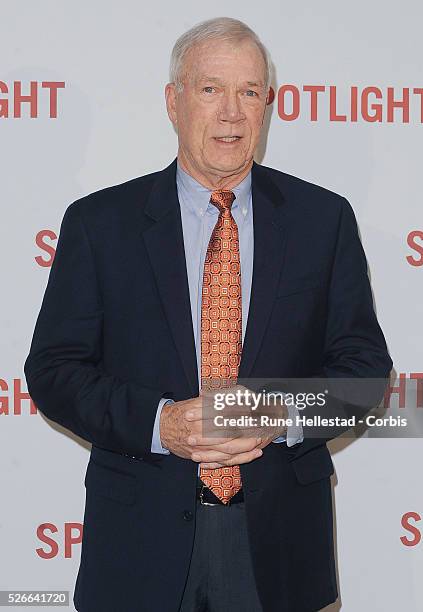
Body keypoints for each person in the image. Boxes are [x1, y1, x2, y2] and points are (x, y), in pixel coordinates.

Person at [24, 16, 392, 612]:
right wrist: (161, 424)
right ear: (173, 101)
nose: (232, 113)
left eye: (249, 92)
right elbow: (55, 371)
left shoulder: (322, 221)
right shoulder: (100, 225)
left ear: (267, 106)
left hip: (279, 544)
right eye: (210, 89)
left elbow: (366, 373)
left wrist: (279, 411)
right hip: (139, 540)